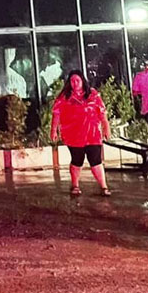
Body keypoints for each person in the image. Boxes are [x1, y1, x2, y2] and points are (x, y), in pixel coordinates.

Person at [50, 69, 111, 197]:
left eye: (77, 80)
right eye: (72, 81)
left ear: (83, 81)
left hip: (92, 134)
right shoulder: (64, 97)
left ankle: (104, 186)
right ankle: (75, 185)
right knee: (77, 160)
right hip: (74, 135)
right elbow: (56, 114)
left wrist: (106, 127)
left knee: (96, 160)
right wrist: (53, 130)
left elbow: (102, 113)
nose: (75, 83)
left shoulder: (93, 94)